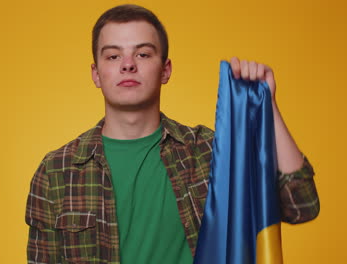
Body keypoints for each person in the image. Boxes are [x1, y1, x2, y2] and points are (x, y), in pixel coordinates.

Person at [25, 4, 319, 264]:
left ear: (165, 70)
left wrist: (267, 102)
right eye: (113, 56)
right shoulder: (57, 171)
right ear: (96, 73)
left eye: (143, 53)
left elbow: (302, 205)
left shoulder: (210, 153)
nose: (128, 64)